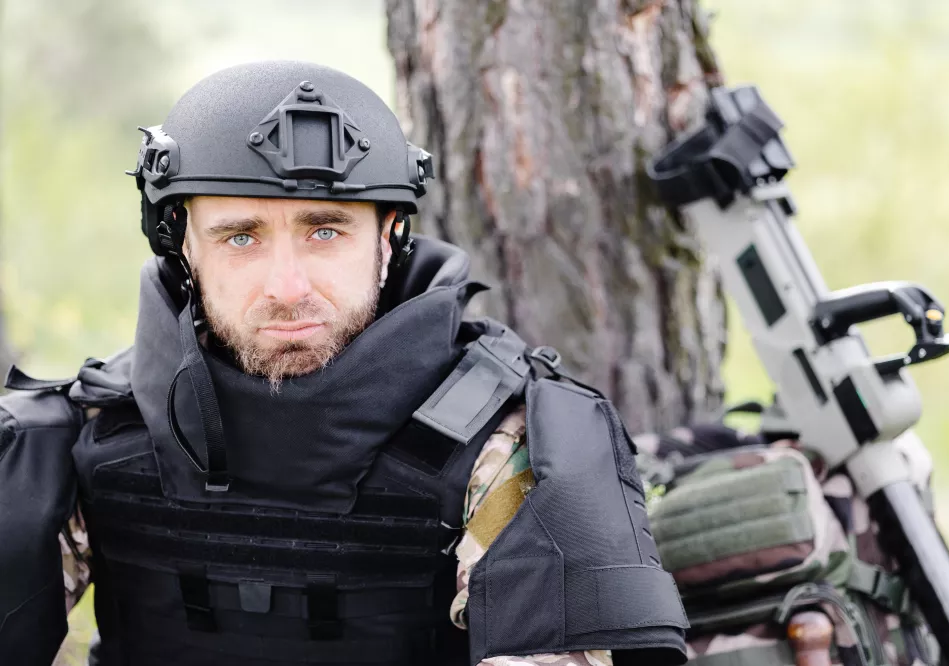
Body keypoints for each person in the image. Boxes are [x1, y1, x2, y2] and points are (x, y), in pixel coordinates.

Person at [0, 61, 689, 666]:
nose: (287, 287)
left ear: (389, 236)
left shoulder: (515, 445)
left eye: (325, 230)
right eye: (241, 236)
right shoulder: (91, 433)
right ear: (183, 247)